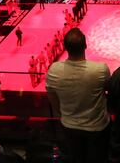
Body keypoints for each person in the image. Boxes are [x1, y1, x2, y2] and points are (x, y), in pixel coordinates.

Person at [46, 28, 110, 163]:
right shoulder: (100, 69)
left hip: (69, 125)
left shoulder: (54, 70)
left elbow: (52, 98)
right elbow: (108, 90)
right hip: (97, 127)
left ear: (65, 47)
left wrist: (63, 115)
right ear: (85, 46)